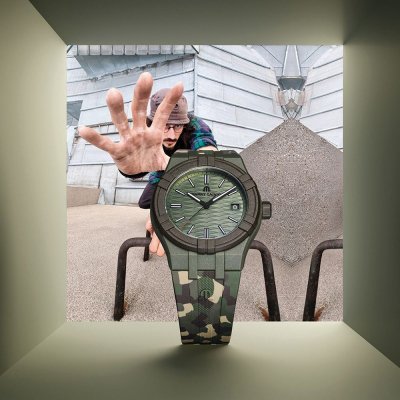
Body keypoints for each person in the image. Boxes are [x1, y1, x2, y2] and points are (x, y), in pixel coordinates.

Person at [78, 72, 217, 257]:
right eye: (166, 126)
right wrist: (127, 168)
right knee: (145, 202)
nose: (171, 135)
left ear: (185, 122)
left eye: (177, 126)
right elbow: (139, 166)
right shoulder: (145, 128)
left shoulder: (196, 124)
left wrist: (178, 207)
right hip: (161, 172)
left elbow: (209, 156)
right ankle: (158, 204)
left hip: (189, 173)